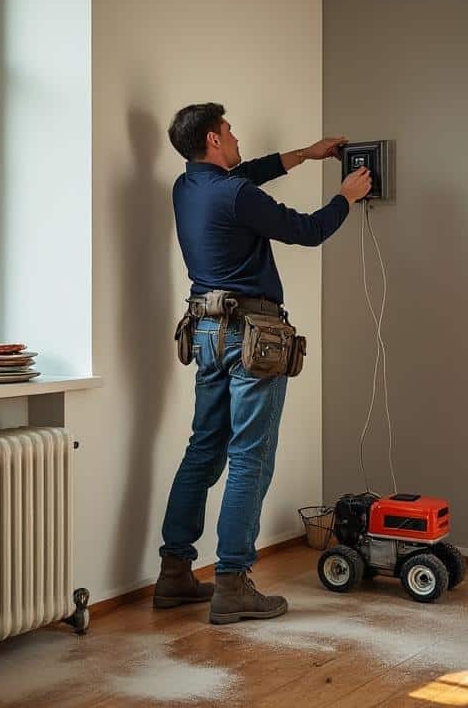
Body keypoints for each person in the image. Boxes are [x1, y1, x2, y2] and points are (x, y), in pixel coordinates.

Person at [155, 102, 372, 624]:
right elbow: (307, 230)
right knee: (251, 455)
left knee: (204, 449)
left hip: (206, 329)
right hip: (254, 336)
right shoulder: (235, 194)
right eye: (228, 132)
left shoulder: (189, 187)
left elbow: (246, 175)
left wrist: (305, 154)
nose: (235, 139)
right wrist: (344, 197)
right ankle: (232, 582)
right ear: (212, 139)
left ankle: (174, 573)